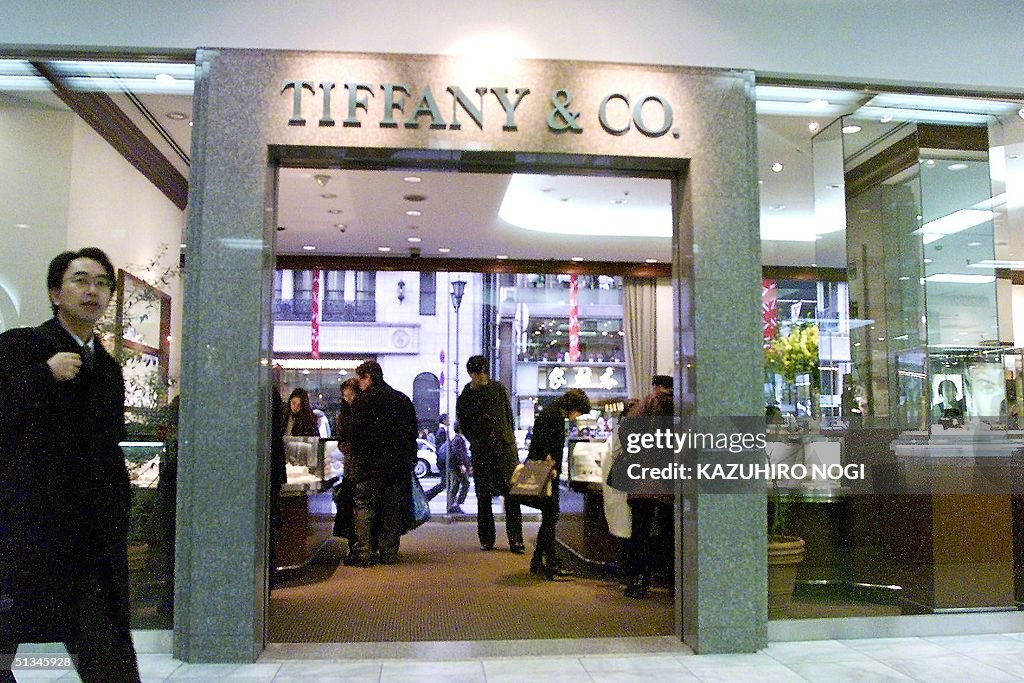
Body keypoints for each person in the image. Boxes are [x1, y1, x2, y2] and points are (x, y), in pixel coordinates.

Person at [0, 247, 141, 682]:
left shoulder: (109, 367)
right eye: (80, 280)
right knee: (24, 629)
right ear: (55, 293)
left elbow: (107, 440)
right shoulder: (22, 346)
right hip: (34, 519)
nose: (92, 291)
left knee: (104, 632)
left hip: (94, 524)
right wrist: (43, 375)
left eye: (101, 283)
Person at [347, 361, 417, 567]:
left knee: (365, 508)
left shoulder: (363, 401)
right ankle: (388, 552)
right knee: (391, 510)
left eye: (360, 380)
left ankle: (364, 552)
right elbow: (411, 433)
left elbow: (355, 435)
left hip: (370, 465)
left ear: (368, 377)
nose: (359, 384)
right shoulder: (401, 399)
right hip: (397, 466)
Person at [456, 355, 525, 554]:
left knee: (512, 496)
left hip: (504, 451)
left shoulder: (498, 389)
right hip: (482, 452)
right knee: (483, 497)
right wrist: (478, 440)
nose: (482, 378)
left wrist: (509, 439)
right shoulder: (465, 398)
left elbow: (508, 417)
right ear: (471, 374)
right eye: (478, 374)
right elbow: (465, 426)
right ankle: (486, 539)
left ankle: (516, 539)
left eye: (484, 373)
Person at [526, 388, 592, 580]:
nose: (577, 417)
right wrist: (551, 467)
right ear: (573, 407)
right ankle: (549, 562)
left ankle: (539, 561)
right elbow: (546, 444)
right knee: (551, 516)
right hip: (548, 473)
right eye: (579, 412)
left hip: (546, 471)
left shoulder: (551, 412)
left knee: (549, 517)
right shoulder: (553, 416)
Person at [621, 391, 675, 599]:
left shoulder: (644, 406)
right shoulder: (681, 406)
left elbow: (625, 430)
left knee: (640, 533)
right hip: (669, 480)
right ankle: (673, 582)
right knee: (669, 533)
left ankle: (639, 581)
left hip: (642, 480)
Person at [330, 378, 360, 543]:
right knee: (350, 504)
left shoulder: (360, 413)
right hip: (351, 465)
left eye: (351, 395)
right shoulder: (343, 416)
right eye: (345, 396)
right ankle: (353, 540)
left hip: (358, 463)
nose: (348, 399)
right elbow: (341, 441)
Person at [445, 422, 471, 514]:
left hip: (454, 466)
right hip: (457, 467)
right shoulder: (458, 439)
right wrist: (461, 465)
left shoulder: (457, 439)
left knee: (455, 486)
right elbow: (458, 453)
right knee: (466, 483)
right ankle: (457, 504)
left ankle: (452, 506)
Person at [423, 413, 449, 502]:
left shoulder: (442, 430)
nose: (449, 420)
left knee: (447, 483)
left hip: (442, 460)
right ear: (444, 420)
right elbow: (443, 449)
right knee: (445, 483)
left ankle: (427, 495)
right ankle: (427, 495)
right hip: (443, 461)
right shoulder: (442, 431)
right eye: (448, 419)